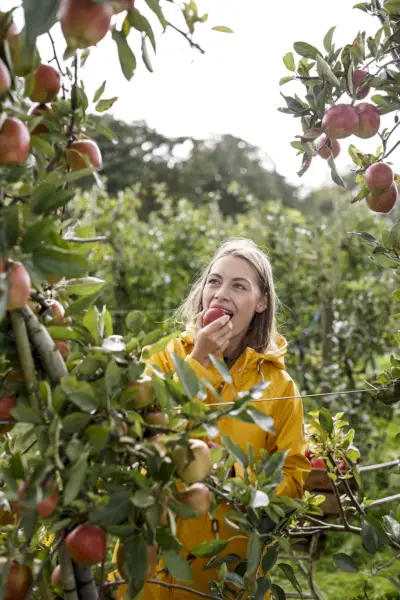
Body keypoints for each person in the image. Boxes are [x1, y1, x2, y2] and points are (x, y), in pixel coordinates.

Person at [111, 237, 311, 599]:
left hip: (229, 572)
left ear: (261, 302)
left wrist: (239, 483)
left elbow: (294, 477)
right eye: (214, 281)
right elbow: (141, 428)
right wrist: (198, 364)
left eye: (239, 285)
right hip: (157, 565)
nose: (220, 293)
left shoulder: (279, 385)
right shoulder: (165, 356)